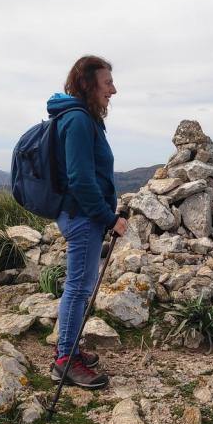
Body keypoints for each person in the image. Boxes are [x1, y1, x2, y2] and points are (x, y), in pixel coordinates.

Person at [48, 55, 127, 389]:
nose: (113, 89)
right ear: (88, 84)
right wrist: (110, 218)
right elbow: (81, 179)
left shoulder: (83, 118)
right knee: (79, 288)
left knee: (80, 288)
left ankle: (70, 350)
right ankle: (65, 361)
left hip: (81, 215)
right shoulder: (79, 120)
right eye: (107, 82)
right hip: (83, 217)